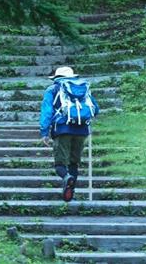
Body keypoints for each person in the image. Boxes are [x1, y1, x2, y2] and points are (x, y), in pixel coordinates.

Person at [39, 65, 99, 202]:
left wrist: (44, 132)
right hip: (82, 130)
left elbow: (47, 112)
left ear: (57, 77)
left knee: (60, 164)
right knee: (74, 164)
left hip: (62, 130)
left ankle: (67, 178)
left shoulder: (53, 89)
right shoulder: (83, 88)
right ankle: (71, 191)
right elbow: (96, 109)